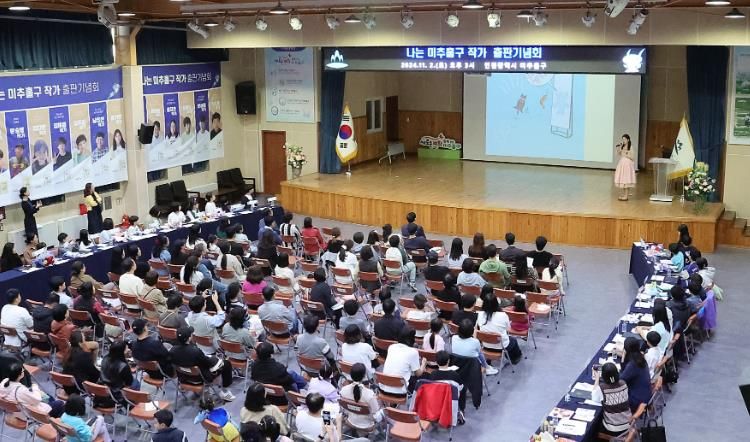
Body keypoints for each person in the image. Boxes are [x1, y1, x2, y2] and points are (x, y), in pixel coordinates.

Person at [169, 326, 236, 401]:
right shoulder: (195, 351)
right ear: (189, 338)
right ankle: (225, 391)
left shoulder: (172, 350)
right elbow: (208, 363)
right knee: (226, 364)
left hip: (183, 379)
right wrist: (215, 359)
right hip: (200, 378)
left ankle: (214, 388)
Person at [477, 293, 522, 365]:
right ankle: (514, 359)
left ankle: (489, 359)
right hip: (501, 346)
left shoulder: (479, 314)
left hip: (485, 345)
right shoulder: (503, 315)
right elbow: (508, 329)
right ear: (496, 303)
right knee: (513, 340)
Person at [339, 362, 383, 432]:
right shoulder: (369, 394)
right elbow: (376, 414)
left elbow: (344, 409)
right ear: (364, 376)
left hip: (350, 421)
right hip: (367, 425)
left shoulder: (343, 390)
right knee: (383, 410)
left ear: (351, 375)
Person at [591, 363, 632, 436]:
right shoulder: (623, 383)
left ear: (603, 375)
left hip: (613, 427)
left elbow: (594, 398)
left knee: (594, 427)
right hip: (628, 423)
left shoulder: (602, 388)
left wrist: (597, 378)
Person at [382, 327, 426, 394]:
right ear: (412, 339)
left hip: (383, 389)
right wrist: (424, 363)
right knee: (420, 378)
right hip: (400, 392)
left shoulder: (391, 347)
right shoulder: (413, 352)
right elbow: (418, 373)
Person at [62, 331, 100, 396]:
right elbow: (94, 375)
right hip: (77, 387)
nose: (85, 342)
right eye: (84, 339)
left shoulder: (68, 352)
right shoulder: (85, 356)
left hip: (66, 386)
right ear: (80, 343)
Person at [100, 340, 137, 405]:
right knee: (136, 383)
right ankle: (131, 404)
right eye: (126, 349)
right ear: (121, 352)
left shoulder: (105, 358)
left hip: (104, 387)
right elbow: (129, 383)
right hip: (116, 392)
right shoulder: (123, 366)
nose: (128, 350)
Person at [620, 337, 652, 410]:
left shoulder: (632, 365)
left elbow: (621, 380)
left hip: (636, 399)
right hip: (645, 393)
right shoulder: (640, 357)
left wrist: (623, 357)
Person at [614, 133, 636, 201]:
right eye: (622, 139)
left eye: (624, 139)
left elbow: (632, 157)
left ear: (628, 140)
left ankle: (626, 196)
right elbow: (618, 154)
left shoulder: (630, 147)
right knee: (623, 180)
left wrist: (626, 153)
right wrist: (618, 148)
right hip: (622, 165)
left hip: (627, 165)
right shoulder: (622, 146)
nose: (623, 141)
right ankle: (625, 195)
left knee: (626, 180)